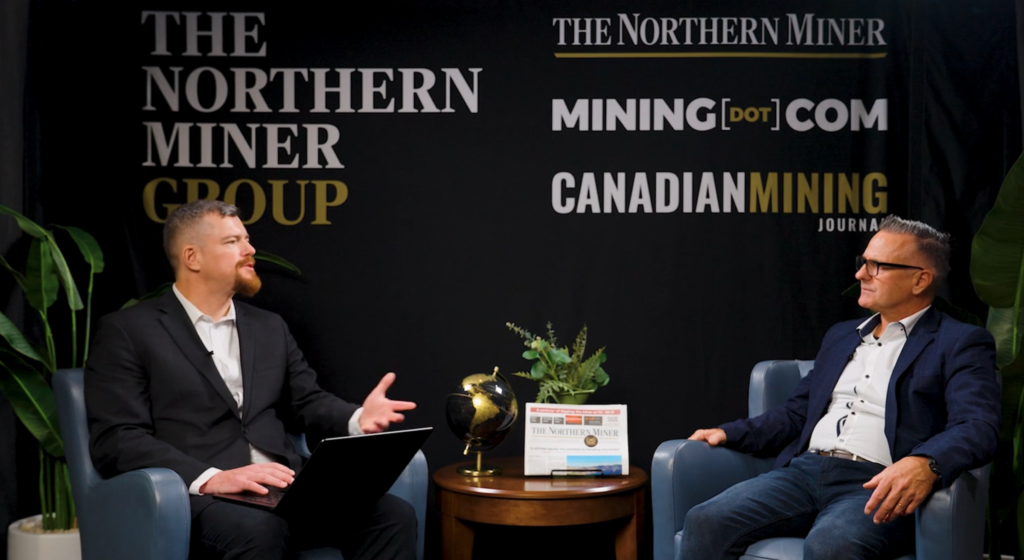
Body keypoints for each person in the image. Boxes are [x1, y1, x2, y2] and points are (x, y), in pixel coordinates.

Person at [85, 199, 418, 560]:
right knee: (261, 531)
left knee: (391, 515)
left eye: (246, 238)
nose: (250, 250)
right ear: (192, 257)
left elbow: (306, 400)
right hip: (206, 498)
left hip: (287, 489)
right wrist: (212, 477)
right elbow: (117, 438)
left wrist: (357, 419)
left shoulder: (268, 326)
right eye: (232, 242)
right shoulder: (128, 330)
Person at [681, 215, 1000, 559]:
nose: (860, 274)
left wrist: (926, 462)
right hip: (803, 474)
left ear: (920, 279)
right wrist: (729, 433)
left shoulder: (959, 342)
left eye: (877, 266)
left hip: (876, 483)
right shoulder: (841, 335)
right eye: (863, 262)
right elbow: (797, 413)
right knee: (705, 520)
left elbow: (977, 425)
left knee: (831, 546)